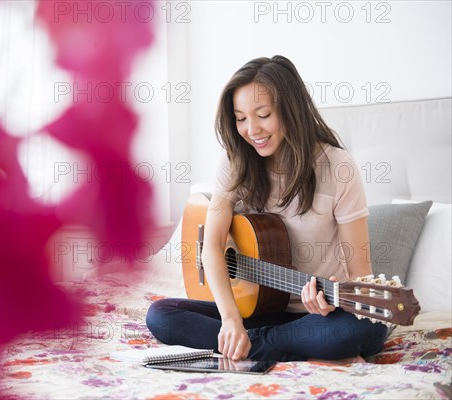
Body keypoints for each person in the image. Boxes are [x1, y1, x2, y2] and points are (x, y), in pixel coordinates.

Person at [146, 55, 388, 362]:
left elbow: (361, 277)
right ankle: (259, 341)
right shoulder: (236, 161)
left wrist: (333, 301)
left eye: (263, 115)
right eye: (241, 118)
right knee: (162, 314)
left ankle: (253, 345)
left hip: (320, 318)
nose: (252, 130)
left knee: (367, 328)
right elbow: (213, 247)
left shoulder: (337, 167)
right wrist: (231, 319)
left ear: (291, 109)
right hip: (256, 310)